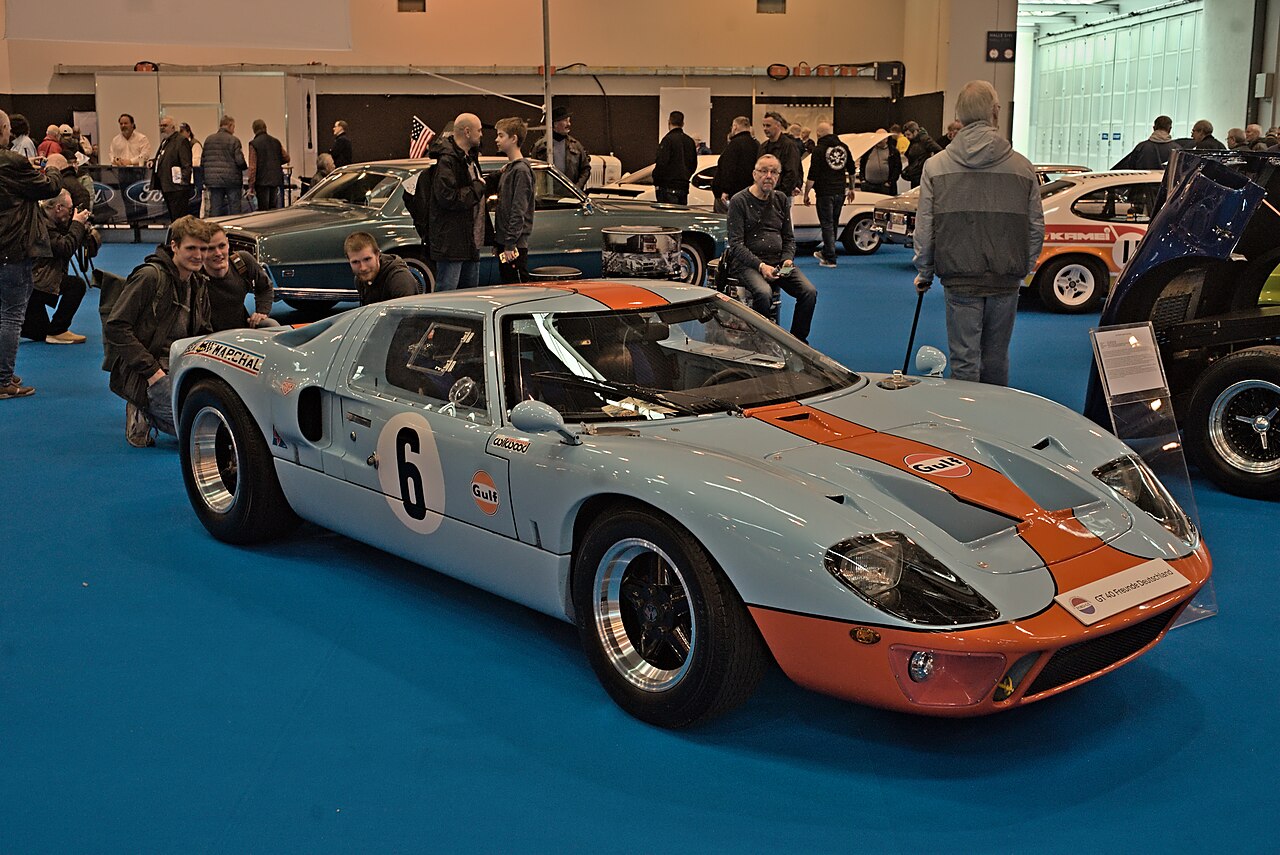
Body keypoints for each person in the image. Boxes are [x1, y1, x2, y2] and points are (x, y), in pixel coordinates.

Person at [914, 81, 1043, 387]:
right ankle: (994, 421)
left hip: (959, 276)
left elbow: (925, 227)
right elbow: (1035, 227)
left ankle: (965, 422)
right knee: (997, 358)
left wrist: (924, 270)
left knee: (963, 359)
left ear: (960, 114)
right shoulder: (1023, 168)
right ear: (994, 113)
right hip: (1006, 277)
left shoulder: (936, 166)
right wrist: (1023, 267)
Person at [103, 215, 212, 445]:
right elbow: (116, 327)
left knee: (215, 425)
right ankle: (141, 407)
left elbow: (205, 331)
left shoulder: (199, 283)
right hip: (148, 370)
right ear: (174, 245)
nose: (199, 255)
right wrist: (152, 372)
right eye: (191, 248)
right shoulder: (150, 276)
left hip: (182, 366)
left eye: (203, 248)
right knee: (197, 434)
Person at [1, 109, 63, 399]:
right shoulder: (11, 162)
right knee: (12, 315)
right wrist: (52, 166)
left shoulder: (13, 164)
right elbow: (48, 187)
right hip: (13, 247)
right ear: (4, 130)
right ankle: (3, 380)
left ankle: (3, 371)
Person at [725, 154, 818, 344]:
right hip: (747, 264)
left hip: (778, 262)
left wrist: (787, 259)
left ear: (778, 176)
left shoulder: (781, 199)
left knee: (809, 292)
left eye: (774, 172)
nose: (769, 176)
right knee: (764, 293)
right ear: (754, 174)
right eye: (764, 171)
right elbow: (735, 245)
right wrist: (761, 266)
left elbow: (788, 238)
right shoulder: (739, 201)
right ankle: (764, 342)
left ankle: (797, 343)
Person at [426, 113, 492, 291]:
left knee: (469, 295)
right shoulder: (447, 161)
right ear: (467, 132)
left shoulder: (468, 158)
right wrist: (478, 187)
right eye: (479, 130)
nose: (482, 134)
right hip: (452, 244)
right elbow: (448, 197)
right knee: (448, 295)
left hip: (470, 241)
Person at [21, 189, 90, 344]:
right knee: (76, 285)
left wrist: (82, 230)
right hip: (32, 283)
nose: (72, 213)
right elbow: (64, 248)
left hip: (33, 280)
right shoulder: (41, 226)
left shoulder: (46, 219)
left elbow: (86, 247)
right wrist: (77, 225)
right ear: (58, 208)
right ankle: (59, 330)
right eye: (70, 209)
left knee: (38, 333)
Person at [203, 224, 279, 331]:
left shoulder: (242, 262)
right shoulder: (194, 276)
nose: (218, 253)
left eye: (222, 246)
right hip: (207, 338)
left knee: (272, 325)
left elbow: (265, 287)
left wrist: (261, 313)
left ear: (228, 243)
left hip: (240, 333)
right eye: (210, 249)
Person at [803, 121, 855, 268]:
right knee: (834, 223)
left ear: (818, 134)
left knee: (826, 224)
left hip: (825, 192)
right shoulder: (843, 147)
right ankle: (827, 250)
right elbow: (851, 170)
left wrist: (806, 194)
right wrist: (851, 189)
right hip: (840, 191)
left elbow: (812, 174)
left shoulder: (819, 150)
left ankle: (830, 258)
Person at [493, 117, 535, 284]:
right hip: (506, 243)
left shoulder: (521, 171)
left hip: (515, 245)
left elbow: (518, 209)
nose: (497, 140)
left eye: (501, 135)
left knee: (517, 288)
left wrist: (510, 243)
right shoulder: (510, 169)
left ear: (514, 138)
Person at [343, 232, 418, 305]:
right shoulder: (359, 280)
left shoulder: (399, 279)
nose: (363, 268)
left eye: (367, 259)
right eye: (355, 262)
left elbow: (408, 316)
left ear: (377, 254)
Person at [530, 105, 591, 189]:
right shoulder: (540, 146)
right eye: (565, 121)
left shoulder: (576, 146)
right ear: (555, 124)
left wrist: (577, 189)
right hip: (546, 196)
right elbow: (533, 172)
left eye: (569, 121)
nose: (569, 124)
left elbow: (585, 169)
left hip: (571, 196)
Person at [711, 116, 758, 214]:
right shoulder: (756, 145)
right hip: (750, 193)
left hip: (732, 195)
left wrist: (725, 190)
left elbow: (728, 169)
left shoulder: (734, 145)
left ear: (735, 127)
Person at [150, 115, 193, 222]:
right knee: (173, 217)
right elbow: (163, 158)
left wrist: (182, 183)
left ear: (173, 127)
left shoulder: (181, 141)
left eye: (165, 125)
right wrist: (153, 162)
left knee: (179, 218)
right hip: (167, 186)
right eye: (160, 125)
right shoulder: (165, 141)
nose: (162, 128)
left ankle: (181, 238)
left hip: (178, 188)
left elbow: (186, 164)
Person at [202, 115, 247, 217]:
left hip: (214, 181)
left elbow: (203, 161)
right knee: (235, 209)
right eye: (234, 127)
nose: (234, 130)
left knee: (215, 209)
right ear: (230, 125)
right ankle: (236, 230)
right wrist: (244, 167)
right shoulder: (234, 140)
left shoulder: (208, 139)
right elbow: (240, 161)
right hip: (232, 180)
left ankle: (214, 231)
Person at [652, 110, 698, 205]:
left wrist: (656, 180)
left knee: (667, 218)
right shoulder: (689, 141)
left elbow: (661, 163)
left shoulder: (667, 140)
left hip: (667, 187)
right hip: (683, 188)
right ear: (683, 123)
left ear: (669, 122)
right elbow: (693, 165)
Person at [247, 119, 290, 211]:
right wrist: (275, 161)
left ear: (254, 130)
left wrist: (251, 185)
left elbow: (253, 167)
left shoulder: (254, 144)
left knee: (263, 209)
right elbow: (286, 158)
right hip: (275, 179)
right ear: (265, 128)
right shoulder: (276, 142)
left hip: (261, 181)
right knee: (273, 208)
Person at [759, 111, 804, 198]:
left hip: (782, 195)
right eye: (764, 126)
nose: (765, 129)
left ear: (778, 126)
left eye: (768, 126)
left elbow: (792, 172)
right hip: (765, 193)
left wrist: (780, 193)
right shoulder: (763, 147)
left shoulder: (789, 146)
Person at [1114, 115, 1178, 169]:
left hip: (1141, 183)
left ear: (1154, 128)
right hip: (1165, 184)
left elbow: (1131, 167)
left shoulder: (1141, 147)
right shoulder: (1177, 150)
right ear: (1170, 129)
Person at [901, 121, 942, 189]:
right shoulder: (915, 141)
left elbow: (939, 151)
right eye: (905, 135)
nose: (906, 137)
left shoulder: (925, 140)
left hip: (921, 175)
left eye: (908, 134)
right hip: (917, 174)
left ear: (915, 132)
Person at [858, 131, 902, 196]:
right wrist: (862, 179)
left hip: (885, 187)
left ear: (886, 139)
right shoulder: (868, 150)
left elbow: (897, 168)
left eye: (880, 139)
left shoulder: (893, 151)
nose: (878, 141)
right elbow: (862, 164)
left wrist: (890, 182)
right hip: (868, 186)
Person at [179, 123, 203, 215]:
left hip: (194, 181)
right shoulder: (180, 145)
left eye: (182, 131)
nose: (180, 134)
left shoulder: (195, 144)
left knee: (194, 208)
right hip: (183, 180)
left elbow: (197, 162)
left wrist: (183, 163)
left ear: (188, 132)